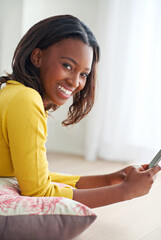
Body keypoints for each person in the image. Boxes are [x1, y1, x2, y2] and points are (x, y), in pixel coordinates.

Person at [0, 15, 160, 209]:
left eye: (83, 74)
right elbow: (38, 192)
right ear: (37, 57)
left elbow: (36, 177)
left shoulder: (12, 92)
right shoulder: (26, 100)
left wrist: (113, 178)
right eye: (67, 66)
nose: (75, 82)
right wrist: (124, 191)